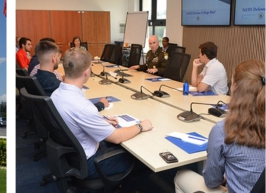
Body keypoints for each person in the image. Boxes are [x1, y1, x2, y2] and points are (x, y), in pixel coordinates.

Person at [51, 48, 154, 192]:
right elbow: (117, 137)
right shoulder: (83, 106)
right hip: (90, 162)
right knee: (146, 160)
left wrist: (100, 123)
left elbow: (74, 120)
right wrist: (141, 126)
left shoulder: (56, 94)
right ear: (87, 72)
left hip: (72, 156)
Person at [174, 59, 265, 192]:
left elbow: (211, 181)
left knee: (181, 176)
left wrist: (226, 175)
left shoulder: (223, 130)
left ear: (234, 88)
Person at [34, 41, 109, 111]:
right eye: (58, 57)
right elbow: (80, 111)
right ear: (54, 58)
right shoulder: (57, 87)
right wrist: (101, 104)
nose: (59, 59)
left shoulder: (34, 78)